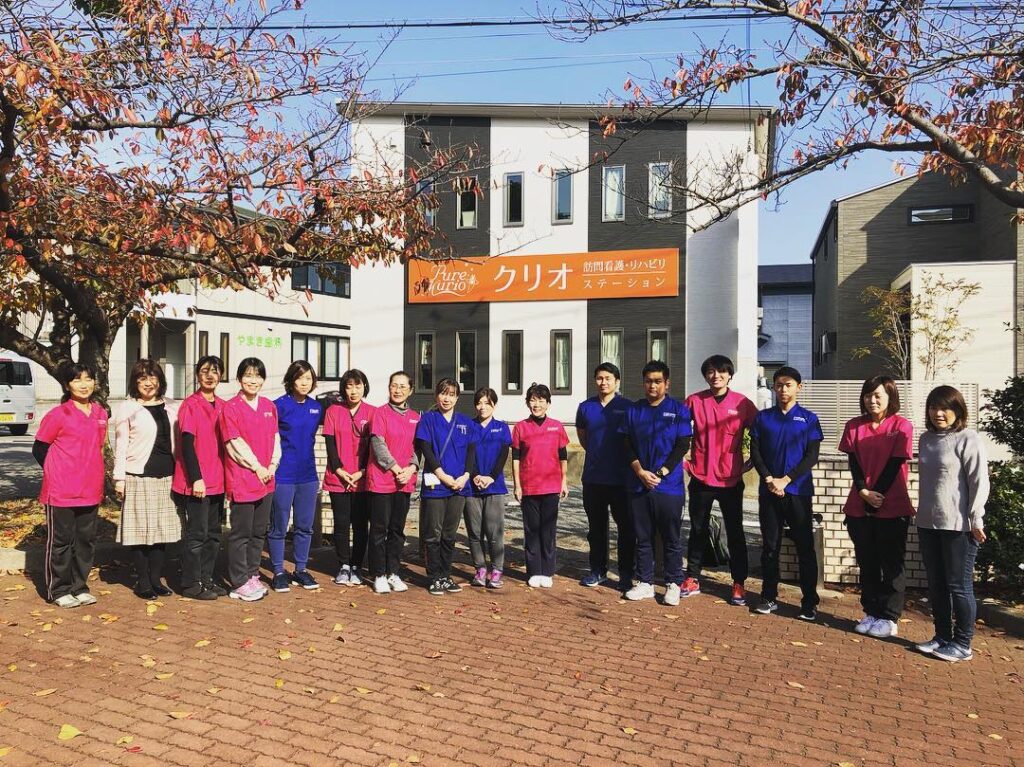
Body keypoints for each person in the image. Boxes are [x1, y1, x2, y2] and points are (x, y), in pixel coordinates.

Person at [915, 385, 990, 663]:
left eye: (945, 408)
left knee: (959, 585)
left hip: (959, 525)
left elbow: (979, 481)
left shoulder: (968, 438)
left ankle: (963, 643)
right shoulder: (926, 439)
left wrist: (976, 517)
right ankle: (942, 636)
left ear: (958, 410)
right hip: (928, 523)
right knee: (936, 584)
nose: (939, 413)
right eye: (934, 407)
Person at [838, 376, 915, 638]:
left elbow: (895, 464)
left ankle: (889, 617)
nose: (872, 400)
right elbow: (854, 462)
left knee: (892, 563)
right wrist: (863, 491)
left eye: (878, 395)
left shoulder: (902, 426)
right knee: (867, 561)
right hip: (859, 504)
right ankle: (871, 611)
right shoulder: (854, 425)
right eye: (868, 395)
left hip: (892, 504)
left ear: (890, 397)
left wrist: (876, 495)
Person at [682, 355, 758, 606]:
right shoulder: (694, 401)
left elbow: (761, 432)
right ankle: (692, 578)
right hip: (701, 477)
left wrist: (754, 460)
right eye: (711, 372)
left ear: (730, 375)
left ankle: (738, 582)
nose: (716, 376)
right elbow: (676, 430)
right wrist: (684, 462)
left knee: (735, 532)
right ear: (705, 375)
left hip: (730, 480)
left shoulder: (742, 403)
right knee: (698, 529)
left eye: (721, 371)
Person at [750, 366, 823, 620]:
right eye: (779, 384)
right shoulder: (763, 418)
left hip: (798, 492)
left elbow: (811, 456)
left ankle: (809, 602)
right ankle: (768, 597)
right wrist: (769, 479)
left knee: (805, 548)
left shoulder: (809, 419)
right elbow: (756, 452)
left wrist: (786, 479)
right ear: (774, 387)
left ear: (798, 388)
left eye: (788, 384)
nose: (783, 389)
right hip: (769, 490)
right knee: (770, 547)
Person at [32, 364, 108, 608]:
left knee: (86, 541)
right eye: (77, 380)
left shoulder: (100, 413)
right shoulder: (58, 414)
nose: (84, 384)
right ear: (67, 385)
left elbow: (98, 448)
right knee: (61, 542)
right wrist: (56, 472)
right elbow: (39, 448)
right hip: (61, 491)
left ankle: (79, 587)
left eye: (88, 379)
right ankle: (59, 589)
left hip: (90, 489)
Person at [619, 361, 692, 606]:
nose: (653, 385)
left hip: (669, 486)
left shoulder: (679, 410)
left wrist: (661, 472)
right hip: (638, 484)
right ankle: (645, 582)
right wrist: (640, 471)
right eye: (649, 381)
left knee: (671, 537)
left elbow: (682, 444)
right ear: (643, 383)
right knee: (643, 537)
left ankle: (673, 583)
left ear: (667, 384)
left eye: (658, 381)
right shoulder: (634, 410)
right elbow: (626, 444)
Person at [112, 359, 182, 600]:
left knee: (162, 532)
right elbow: (121, 445)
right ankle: (142, 581)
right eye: (142, 378)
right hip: (138, 476)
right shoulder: (128, 408)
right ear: (135, 382)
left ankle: (155, 579)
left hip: (168, 476)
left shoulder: (172, 406)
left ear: (160, 380)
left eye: (153, 377)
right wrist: (119, 478)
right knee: (140, 532)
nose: (148, 383)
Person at [220, 357, 280, 602]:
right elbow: (234, 443)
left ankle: (252, 573)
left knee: (258, 532)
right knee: (241, 533)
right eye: (248, 375)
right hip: (244, 478)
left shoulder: (268, 406)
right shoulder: (231, 408)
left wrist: (272, 465)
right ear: (239, 378)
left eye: (257, 376)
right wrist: (257, 467)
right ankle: (238, 582)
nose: (253, 380)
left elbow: (276, 438)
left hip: (267, 479)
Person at [415, 378, 478, 595]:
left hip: (459, 486)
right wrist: (442, 475)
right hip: (436, 485)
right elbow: (426, 449)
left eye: (451, 394)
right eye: (443, 393)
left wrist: (466, 476)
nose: (447, 398)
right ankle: (434, 577)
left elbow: (471, 452)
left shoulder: (465, 423)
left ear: (457, 398)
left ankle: (445, 575)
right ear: (436, 395)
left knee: (449, 534)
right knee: (433, 533)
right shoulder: (428, 420)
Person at [575, 362, 634, 593]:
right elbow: (584, 439)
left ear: (617, 381)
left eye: (608, 378)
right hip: (594, 478)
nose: (603, 382)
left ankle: (626, 573)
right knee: (596, 529)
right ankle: (597, 570)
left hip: (622, 479)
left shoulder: (627, 407)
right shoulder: (585, 407)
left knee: (626, 528)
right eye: (600, 378)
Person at [173, 355, 228, 600]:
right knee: (197, 534)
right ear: (197, 375)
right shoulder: (190, 405)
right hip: (197, 481)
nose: (209, 376)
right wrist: (196, 478)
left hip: (218, 479)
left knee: (214, 534)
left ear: (221, 376)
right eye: (205, 371)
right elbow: (187, 444)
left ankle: (206, 579)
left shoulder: (224, 406)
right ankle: (190, 583)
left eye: (214, 371)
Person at [268, 360, 322, 593]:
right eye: (300, 378)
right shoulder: (278, 406)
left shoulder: (316, 407)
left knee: (305, 526)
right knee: (279, 526)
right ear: (291, 380)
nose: (304, 382)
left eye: (309, 378)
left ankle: (300, 569)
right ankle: (278, 571)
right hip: (283, 474)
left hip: (308, 474)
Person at [366, 371, 420, 595]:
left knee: (397, 529)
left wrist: (411, 468)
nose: (398, 390)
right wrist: (397, 469)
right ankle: (378, 574)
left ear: (410, 390)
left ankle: (393, 572)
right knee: (379, 529)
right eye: (394, 386)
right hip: (382, 480)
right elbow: (378, 445)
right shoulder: (380, 413)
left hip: (404, 482)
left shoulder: (416, 417)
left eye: (402, 386)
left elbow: (417, 448)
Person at [512, 383, 570, 588]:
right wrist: (517, 485)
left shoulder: (557, 426)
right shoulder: (520, 427)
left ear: (548, 403)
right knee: (532, 531)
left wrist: (564, 481)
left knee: (548, 531)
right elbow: (516, 458)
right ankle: (534, 571)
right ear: (527, 403)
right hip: (529, 487)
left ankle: (547, 571)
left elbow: (563, 456)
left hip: (552, 486)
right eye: (532, 400)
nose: (536, 404)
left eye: (541, 400)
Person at [323, 368, 375, 586]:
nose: (353, 391)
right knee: (342, 523)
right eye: (349, 386)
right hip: (339, 478)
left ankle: (357, 566)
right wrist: (340, 470)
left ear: (365, 387)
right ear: (343, 389)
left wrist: (361, 471)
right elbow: (329, 443)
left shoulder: (373, 413)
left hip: (363, 478)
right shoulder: (333, 411)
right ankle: (344, 565)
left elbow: (373, 447)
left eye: (358, 385)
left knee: (361, 524)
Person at [466, 387, 511, 589]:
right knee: (474, 532)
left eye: (487, 403)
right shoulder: (468, 426)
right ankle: (480, 569)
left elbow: (503, 455)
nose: (482, 407)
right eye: (479, 403)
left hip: (494, 486)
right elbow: (467, 455)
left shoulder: (502, 428)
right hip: (472, 486)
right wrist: (475, 475)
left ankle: (497, 570)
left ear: (494, 404)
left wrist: (491, 477)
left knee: (494, 533)